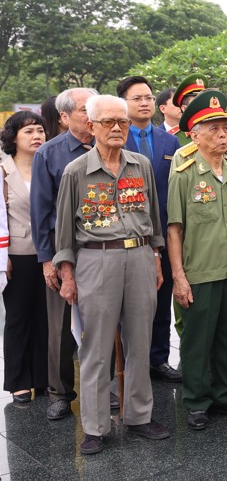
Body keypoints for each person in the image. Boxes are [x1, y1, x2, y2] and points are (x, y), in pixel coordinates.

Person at [54, 95, 170, 454]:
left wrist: (155, 258)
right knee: (96, 347)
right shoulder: (77, 171)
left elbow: (153, 218)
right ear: (92, 126)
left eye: (122, 121)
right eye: (108, 122)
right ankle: (95, 425)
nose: (118, 128)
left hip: (138, 258)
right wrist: (67, 275)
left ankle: (138, 416)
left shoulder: (142, 165)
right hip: (95, 260)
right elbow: (63, 232)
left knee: (139, 340)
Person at [167, 90, 227, 430]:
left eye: (224, 127)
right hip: (200, 270)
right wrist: (179, 275)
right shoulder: (184, 169)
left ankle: (225, 395)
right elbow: (174, 228)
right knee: (196, 338)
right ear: (195, 134)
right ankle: (196, 401)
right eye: (214, 129)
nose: (222, 135)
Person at [31, 87, 97, 421]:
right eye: (85, 110)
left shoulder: (112, 146)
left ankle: (104, 387)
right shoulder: (50, 153)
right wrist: (47, 260)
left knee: (104, 319)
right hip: (62, 250)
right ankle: (59, 392)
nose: (91, 115)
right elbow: (40, 212)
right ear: (64, 117)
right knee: (60, 326)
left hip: (104, 248)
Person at [117, 76, 182, 383]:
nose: (145, 103)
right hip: (127, 234)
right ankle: (129, 363)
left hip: (165, 231)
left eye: (148, 97)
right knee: (126, 304)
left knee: (162, 296)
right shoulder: (115, 138)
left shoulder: (169, 139)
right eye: (137, 98)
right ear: (123, 104)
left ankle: (158, 358)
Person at [1, 111, 48, 403]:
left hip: (48, 253)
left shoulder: (49, 165)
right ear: (13, 137)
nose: (36, 136)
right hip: (16, 254)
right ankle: (18, 380)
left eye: (40, 130)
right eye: (29, 131)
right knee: (18, 318)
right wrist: (2, 255)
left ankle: (43, 377)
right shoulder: (3, 170)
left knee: (46, 318)